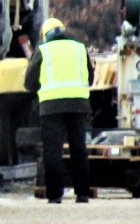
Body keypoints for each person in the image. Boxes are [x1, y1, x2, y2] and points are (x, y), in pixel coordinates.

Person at [25, 16, 93, 204]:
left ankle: (55, 195)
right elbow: (90, 77)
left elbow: (29, 82)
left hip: (51, 107)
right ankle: (82, 194)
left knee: (52, 151)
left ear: (45, 35)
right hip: (78, 105)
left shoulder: (43, 50)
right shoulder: (79, 48)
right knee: (79, 149)